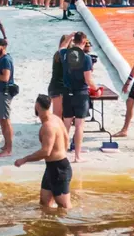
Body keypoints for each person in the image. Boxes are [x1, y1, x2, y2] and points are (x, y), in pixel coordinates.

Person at [15, 94, 72, 209]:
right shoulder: (56, 119)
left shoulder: (48, 126)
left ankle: (72, 225)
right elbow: (66, 139)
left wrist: (24, 159)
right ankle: (49, 225)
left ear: (37, 106)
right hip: (53, 167)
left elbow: (46, 152)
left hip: (59, 169)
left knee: (64, 207)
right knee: (44, 203)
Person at [60, 32, 97, 163]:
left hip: (67, 92)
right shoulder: (86, 58)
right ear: (84, 41)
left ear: (74, 40)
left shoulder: (65, 54)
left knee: (66, 124)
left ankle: (62, 153)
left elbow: (62, 46)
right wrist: (96, 89)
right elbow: (88, 79)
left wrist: (69, 36)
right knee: (79, 125)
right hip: (80, 93)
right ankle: (77, 156)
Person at [0, 38, 15, 158]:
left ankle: (8, 149)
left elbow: (6, 77)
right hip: (2, 91)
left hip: (5, 92)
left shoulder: (5, 60)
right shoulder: (3, 59)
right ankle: (6, 145)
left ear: (3, 47)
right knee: (2, 119)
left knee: (5, 119)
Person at [47, 34, 72, 118]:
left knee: (58, 114)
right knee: (59, 115)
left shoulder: (57, 54)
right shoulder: (66, 56)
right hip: (60, 88)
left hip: (54, 86)